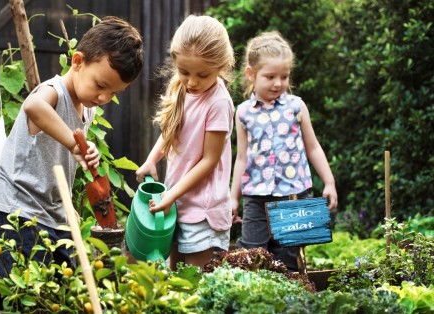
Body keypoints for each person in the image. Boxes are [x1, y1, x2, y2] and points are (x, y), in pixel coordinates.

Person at [0, 16, 144, 278]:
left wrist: (83, 152)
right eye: (101, 86)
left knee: (62, 289)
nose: (104, 98)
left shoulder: (87, 109)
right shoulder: (53, 91)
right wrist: (74, 143)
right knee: (28, 292)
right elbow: (33, 108)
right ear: (78, 62)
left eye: (114, 93)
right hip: (18, 212)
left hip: (53, 215)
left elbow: (62, 157)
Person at [230, 31, 338, 271]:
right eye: (270, 76)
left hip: (293, 195)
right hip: (256, 197)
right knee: (251, 254)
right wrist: (232, 197)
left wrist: (328, 182)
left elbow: (313, 147)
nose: (278, 83)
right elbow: (241, 158)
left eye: (284, 76)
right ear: (251, 74)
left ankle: (288, 303)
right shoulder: (244, 112)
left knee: (288, 258)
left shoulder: (296, 106)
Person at [135, 15, 235, 270]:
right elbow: (171, 129)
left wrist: (171, 194)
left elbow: (209, 160)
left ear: (222, 65)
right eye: (184, 71)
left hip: (203, 209)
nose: (192, 81)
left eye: (203, 74)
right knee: (175, 277)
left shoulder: (218, 102)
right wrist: (151, 159)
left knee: (198, 280)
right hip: (177, 201)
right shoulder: (181, 87)